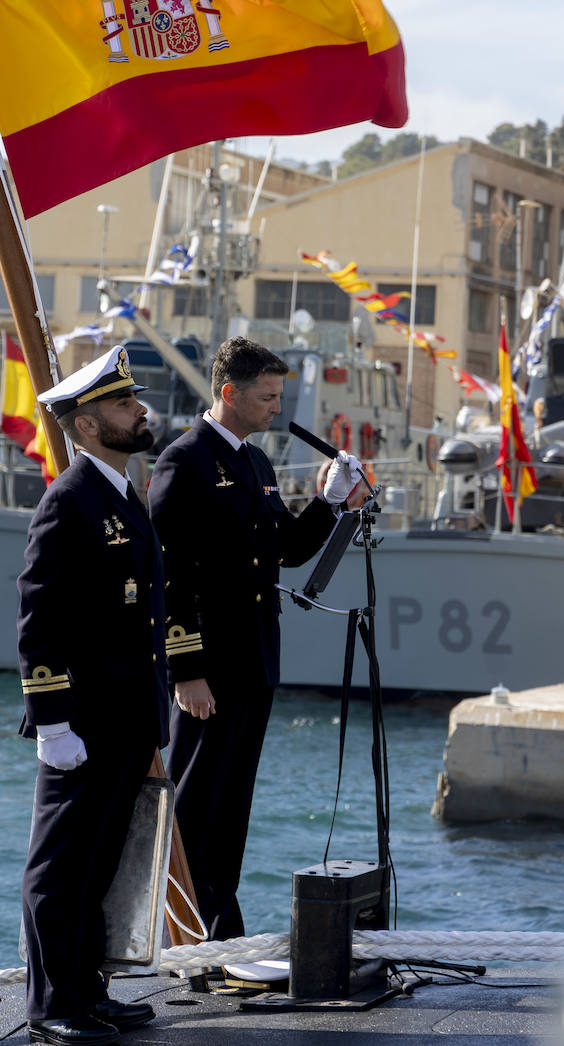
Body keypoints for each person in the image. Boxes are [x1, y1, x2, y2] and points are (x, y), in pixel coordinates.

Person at [147, 336, 363, 943]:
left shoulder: (256, 464)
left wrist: (328, 501)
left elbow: (287, 550)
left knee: (231, 808)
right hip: (209, 670)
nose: (277, 408)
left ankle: (222, 934)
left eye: (278, 396)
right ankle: (187, 940)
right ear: (230, 393)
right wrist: (186, 670)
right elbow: (169, 574)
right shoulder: (185, 462)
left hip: (254, 664)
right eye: (267, 397)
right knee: (194, 806)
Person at [18, 345, 169, 1045]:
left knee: (99, 863)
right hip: (81, 724)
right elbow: (40, 620)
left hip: (125, 721)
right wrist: (52, 723)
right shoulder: (69, 501)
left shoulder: (124, 496)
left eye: (134, 400)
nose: (140, 411)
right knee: (61, 867)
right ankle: (53, 1003)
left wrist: (151, 723)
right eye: (123, 404)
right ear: (86, 425)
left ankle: (87, 990)